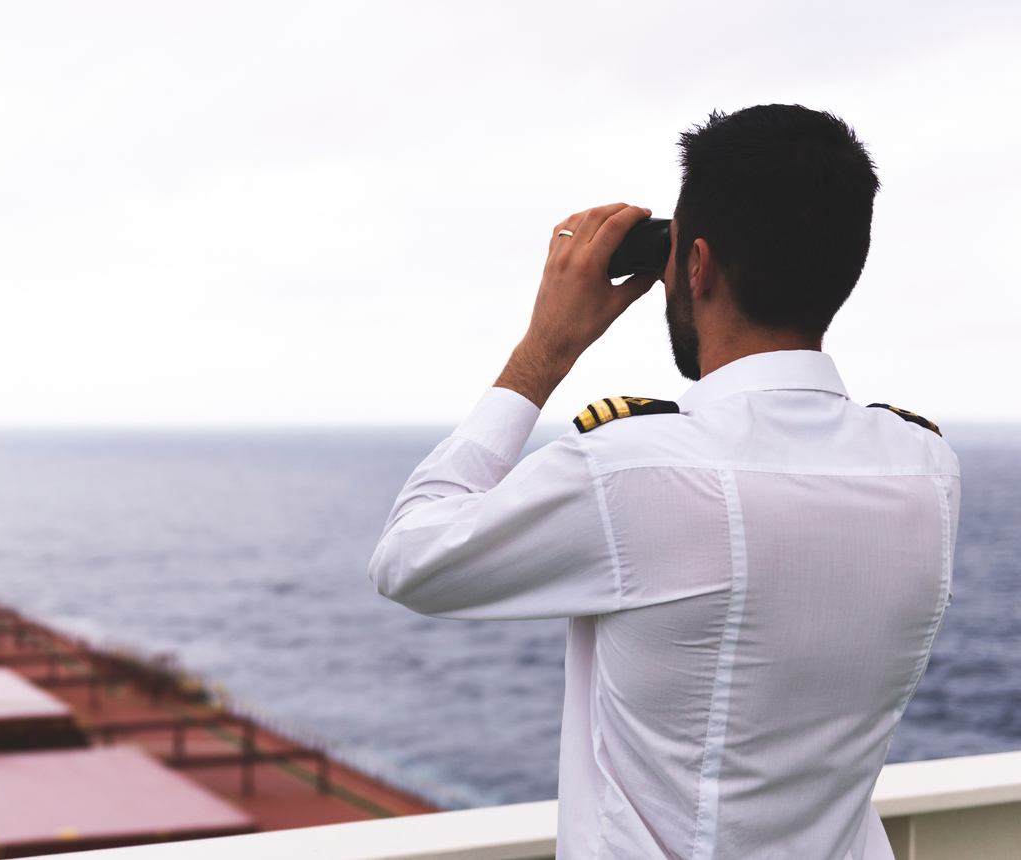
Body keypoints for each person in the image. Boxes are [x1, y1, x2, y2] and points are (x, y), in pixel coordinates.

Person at [368, 104, 958, 860]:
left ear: (696, 265)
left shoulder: (636, 470)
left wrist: (542, 352)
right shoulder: (927, 469)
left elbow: (408, 558)